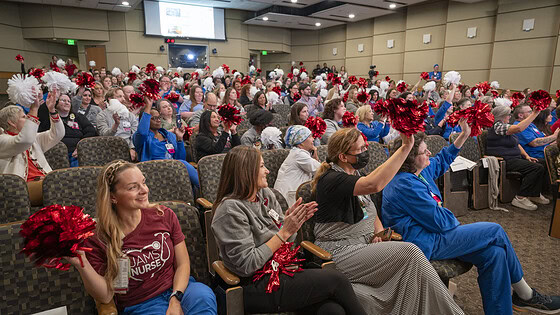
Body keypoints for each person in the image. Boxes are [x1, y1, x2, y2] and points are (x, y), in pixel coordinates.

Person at [383, 124, 560, 315]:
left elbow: (442, 159)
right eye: (424, 151)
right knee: (494, 230)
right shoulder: (403, 184)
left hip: (436, 232)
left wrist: (464, 135)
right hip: (423, 242)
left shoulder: (418, 171)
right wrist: (443, 211)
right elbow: (443, 222)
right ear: (408, 158)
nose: (429, 153)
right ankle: (526, 295)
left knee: (494, 254)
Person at [312, 128, 463, 314]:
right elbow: (374, 185)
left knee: (410, 273)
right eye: (360, 150)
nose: (365, 153)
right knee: (411, 252)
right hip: (339, 251)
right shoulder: (332, 179)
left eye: (365, 146)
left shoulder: (354, 174)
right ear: (343, 157)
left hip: (363, 246)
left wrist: (381, 233)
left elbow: (369, 210)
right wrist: (406, 148)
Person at [211, 146, 367, 315]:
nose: (268, 171)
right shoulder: (229, 210)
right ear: (246, 171)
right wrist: (284, 232)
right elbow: (247, 265)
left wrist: (293, 225)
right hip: (253, 284)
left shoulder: (265, 194)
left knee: (332, 310)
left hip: (281, 269)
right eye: (262, 166)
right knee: (338, 280)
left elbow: (287, 242)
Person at [68, 160, 216, 314]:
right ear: (113, 197)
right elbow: (105, 297)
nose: (144, 190)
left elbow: (183, 264)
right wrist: (82, 263)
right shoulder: (98, 237)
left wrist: (175, 298)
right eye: (133, 187)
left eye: (143, 183)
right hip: (141, 304)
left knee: (204, 297)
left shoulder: (164, 215)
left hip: (178, 289)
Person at [0, 90, 64, 205]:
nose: (29, 119)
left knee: (77, 180)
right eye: (24, 117)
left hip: (45, 181)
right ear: (12, 123)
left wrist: (52, 110)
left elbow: (57, 134)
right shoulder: (2, 140)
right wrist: (34, 109)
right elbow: (24, 140)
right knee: (57, 184)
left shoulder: (33, 139)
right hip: (20, 188)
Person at [486, 105, 550, 210]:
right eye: (508, 114)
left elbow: (517, 144)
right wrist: (535, 113)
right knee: (536, 168)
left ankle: (534, 194)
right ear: (501, 116)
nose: (509, 116)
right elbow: (519, 128)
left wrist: (526, 156)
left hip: (514, 157)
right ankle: (520, 197)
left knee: (542, 162)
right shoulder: (497, 126)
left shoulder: (506, 125)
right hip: (504, 159)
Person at [133, 97, 199, 189]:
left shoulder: (168, 135)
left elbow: (180, 158)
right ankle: (208, 189)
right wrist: (148, 106)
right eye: (154, 118)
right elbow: (142, 131)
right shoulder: (141, 138)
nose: (158, 120)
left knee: (182, 165)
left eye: (159, 117)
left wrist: (179, 139)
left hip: (173, 169)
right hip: (151, 171)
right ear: (146, 120)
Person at [274, 125, 320, 206]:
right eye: (309, 137)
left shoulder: (299, 153)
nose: (313, 139)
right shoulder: (299, 155)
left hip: (294, 193)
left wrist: (315, 152)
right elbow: (320, 169)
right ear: (301, 142)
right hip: (288, 197)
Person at [97, 88, 138, 161]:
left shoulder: (130, 115)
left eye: (123, 96)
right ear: (110, 99)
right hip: (110, 149)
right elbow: (104, 136)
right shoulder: (102, 115)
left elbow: (135, 134)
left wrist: (132, 148)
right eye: (119, 97)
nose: (123, 99)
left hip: (127, 147)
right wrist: (116, 125)